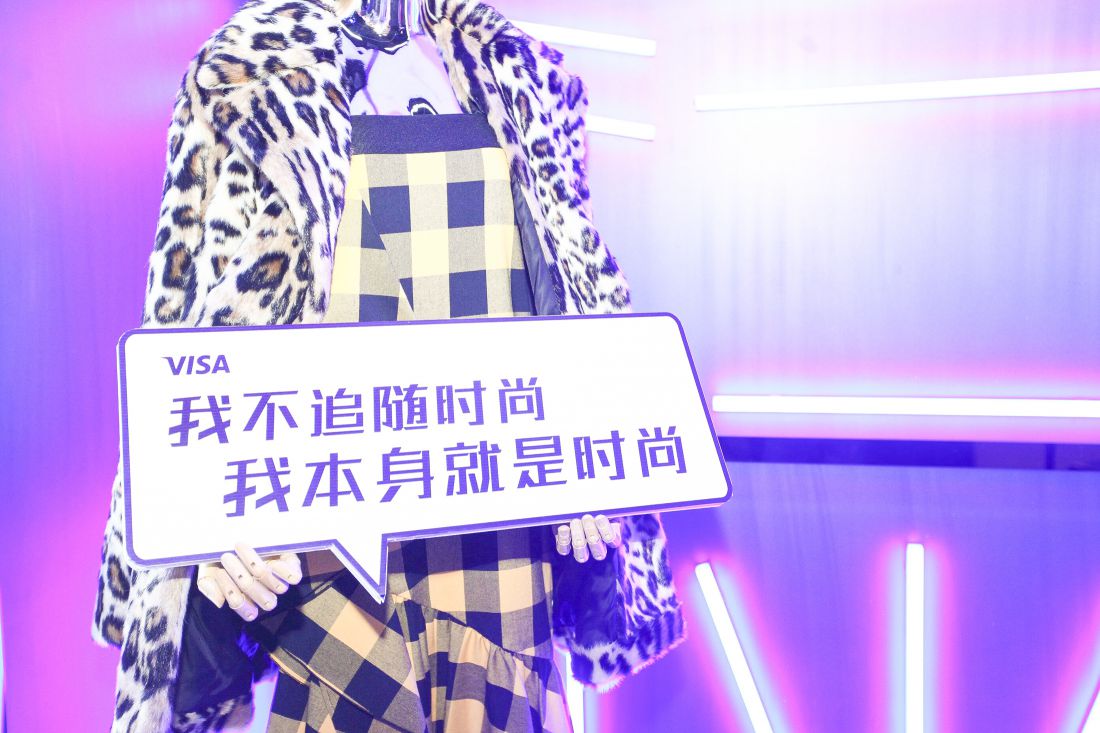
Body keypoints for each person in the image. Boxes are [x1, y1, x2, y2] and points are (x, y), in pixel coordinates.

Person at [94, 1, 684, 731]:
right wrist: (201, 519)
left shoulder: (523, 72)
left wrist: (600, 465)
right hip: (326, 560)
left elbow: (580, 298)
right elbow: (183, 317)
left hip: (499, 553)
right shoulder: (246, 68)